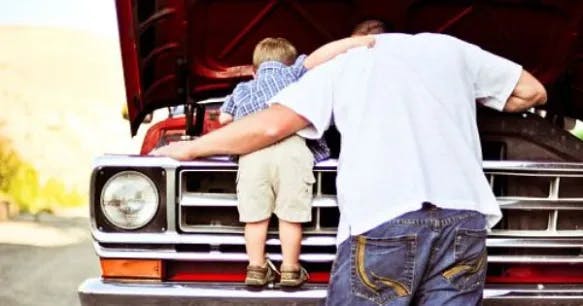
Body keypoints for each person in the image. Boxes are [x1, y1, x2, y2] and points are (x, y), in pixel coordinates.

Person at [151, 33, 546, 305]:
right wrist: (458, 100)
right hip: (465, 220)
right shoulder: (453, 50)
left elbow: (271, 126)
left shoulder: (347, 63)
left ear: (358, 38)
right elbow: (532, 91)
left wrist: (191, 149)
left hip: (384, 218)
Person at [216, 36, 375, 288]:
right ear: (291, 61)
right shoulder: (296, 74)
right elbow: (325, 53)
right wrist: (362, 41)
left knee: (255, 218)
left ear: (254, 71)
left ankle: (256, 268)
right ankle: (290, 269)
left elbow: (224, 119)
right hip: (293, 149)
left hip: (252, 150)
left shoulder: (242, 89)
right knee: (291, 216)